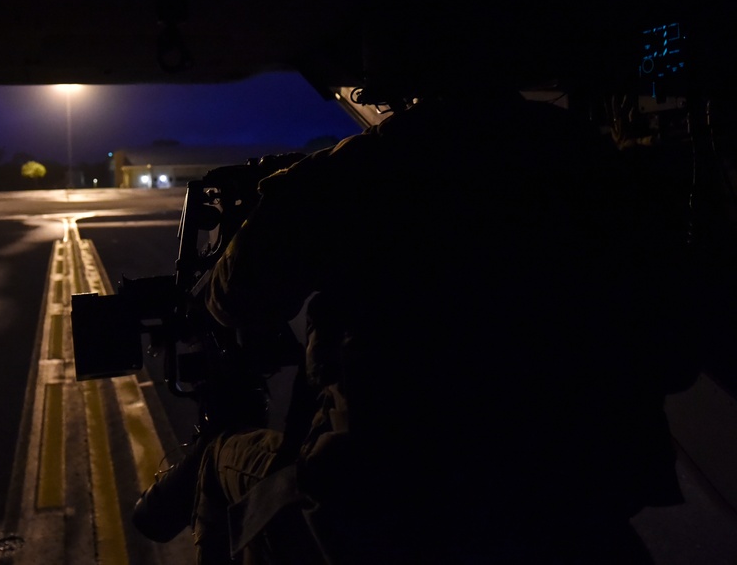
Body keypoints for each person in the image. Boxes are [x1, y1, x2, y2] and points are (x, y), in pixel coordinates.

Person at [134, 88, 723, 564]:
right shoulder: (605, 171)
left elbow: (236, 300)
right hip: (577, 502)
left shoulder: (367, 168)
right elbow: (675, 354)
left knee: (222, 462)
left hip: (398, 503)